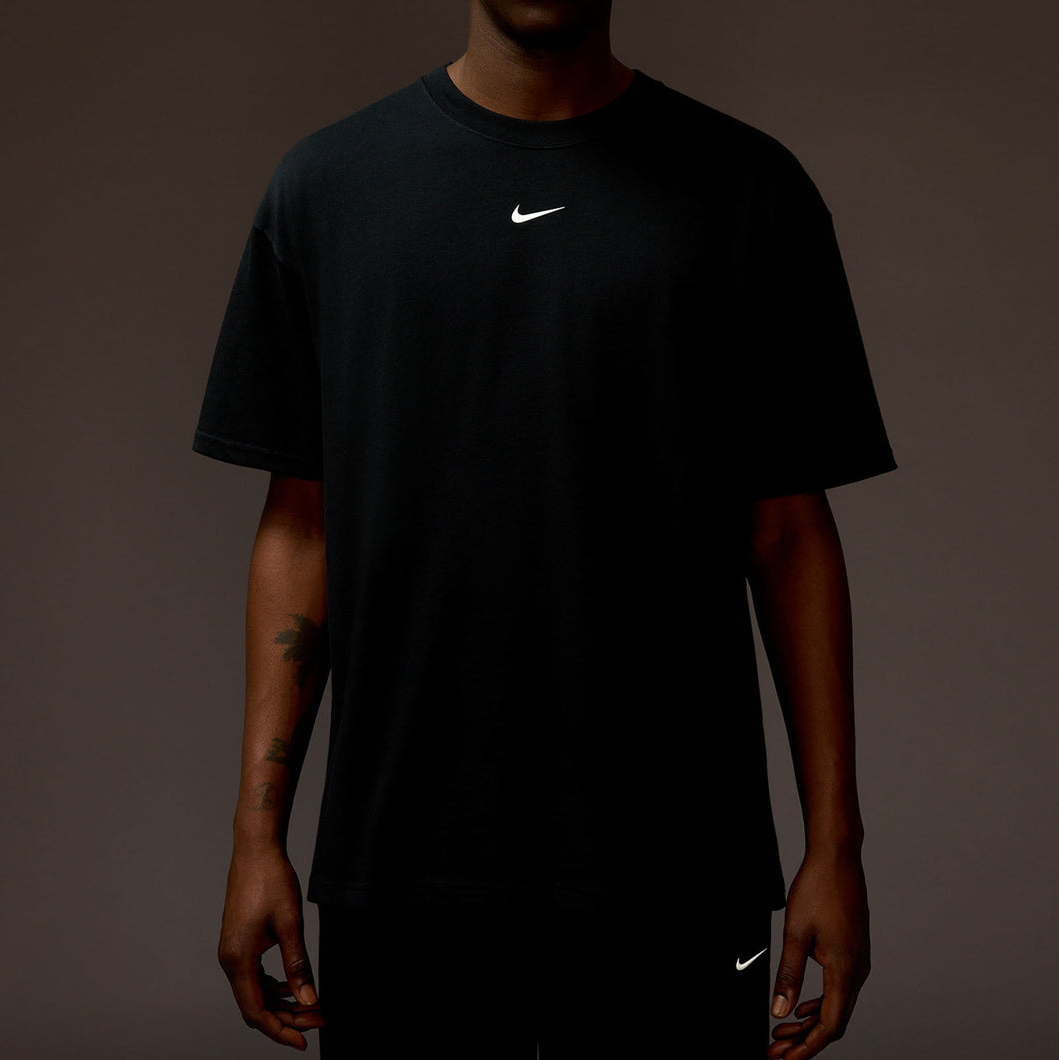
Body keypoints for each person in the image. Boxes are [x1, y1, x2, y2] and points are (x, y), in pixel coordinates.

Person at [195, 2, 897, 1057]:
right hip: (403, 866)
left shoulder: (750, 190)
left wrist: (834, 847)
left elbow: (789, 533)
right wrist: (257, 835)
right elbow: (301, 530)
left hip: (678, 867)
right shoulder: (327, 187)